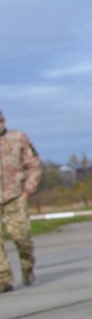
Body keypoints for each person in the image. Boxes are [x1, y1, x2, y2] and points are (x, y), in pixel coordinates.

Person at [0, 107, 42, 291]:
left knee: (21, 238)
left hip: (15, 196)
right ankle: (4, 279)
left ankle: (27, 267)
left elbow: (34, 165)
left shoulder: (18, 139)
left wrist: (27, 191)